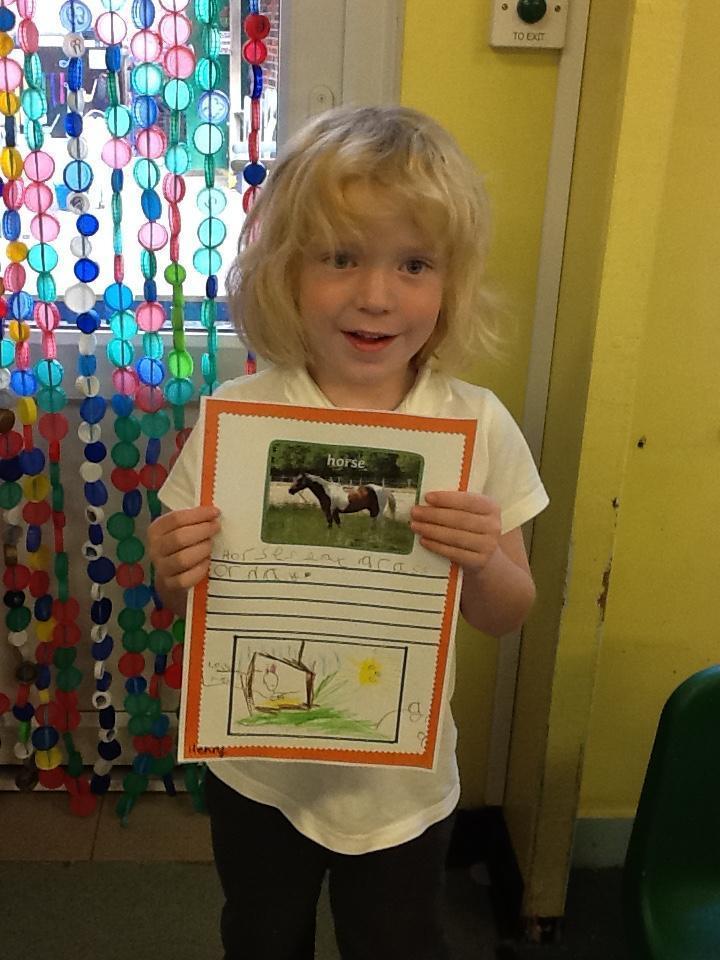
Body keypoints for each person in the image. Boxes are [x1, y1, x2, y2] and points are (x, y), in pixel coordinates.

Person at [150, 105, 549, 960]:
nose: (375, 294)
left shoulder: (476, 424)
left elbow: (508, 611)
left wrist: (484, 559)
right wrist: (172, 567)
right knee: (261, 935)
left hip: (400, 787)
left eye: (414, 264)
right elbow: (181, 594)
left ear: (451, 283)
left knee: (397, 943)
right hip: (258, 773)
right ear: (286, 271)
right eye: (340, 257)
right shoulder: (238, 416)